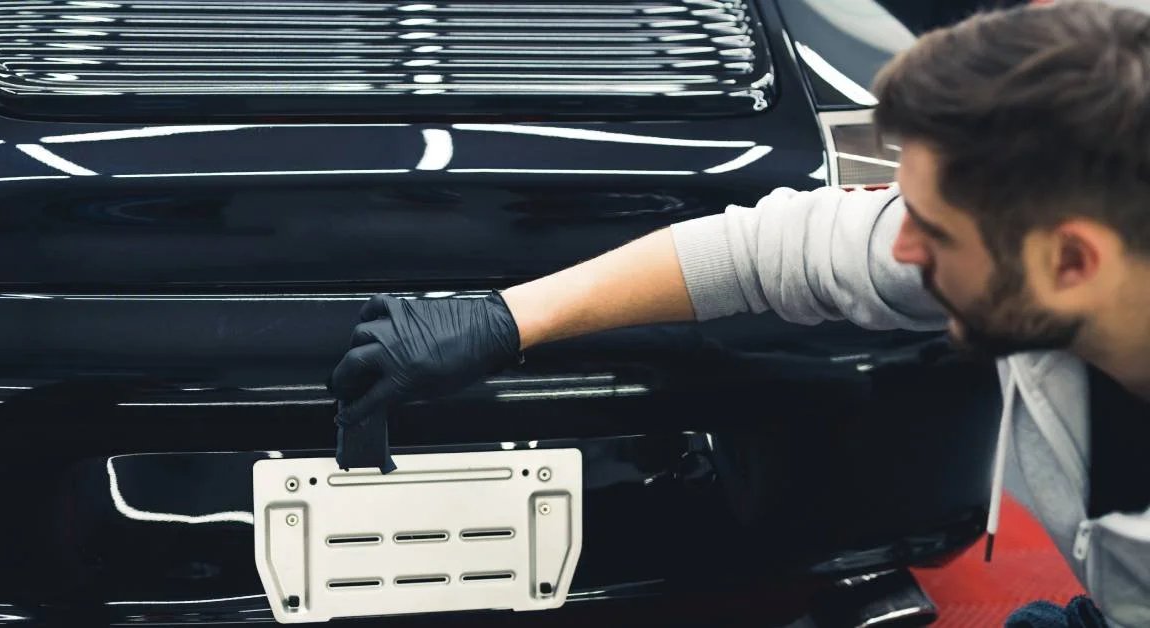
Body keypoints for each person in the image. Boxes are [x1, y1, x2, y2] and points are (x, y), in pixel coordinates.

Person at [326, 1, 1150, 626]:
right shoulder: (1057, 249)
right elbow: (768, 250)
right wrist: (505, 320)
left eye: (932, 233)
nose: (900, 250)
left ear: (1070, 261)